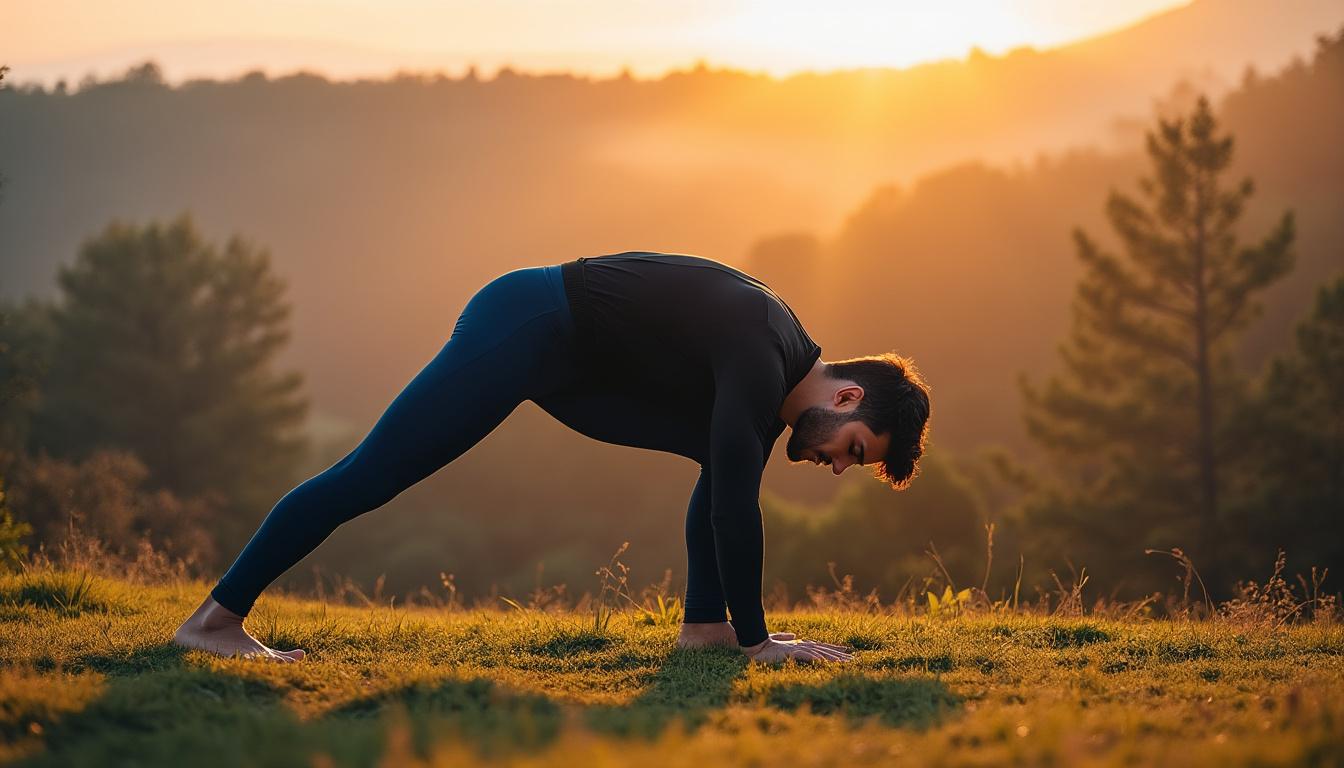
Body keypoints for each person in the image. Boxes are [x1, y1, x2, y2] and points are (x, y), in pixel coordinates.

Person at [173, 251, 931, 664]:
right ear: (845, 401)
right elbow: (735, 505)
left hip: (566, 362)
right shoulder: (762, 346)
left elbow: (721, 491)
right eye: (853, 453)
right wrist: (760, 639)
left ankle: (701, 630)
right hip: (527, 323)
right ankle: (213, 622)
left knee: (722, 461)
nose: (836, 469)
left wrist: (719, 627)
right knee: (372, 474)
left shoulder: (769, 382)